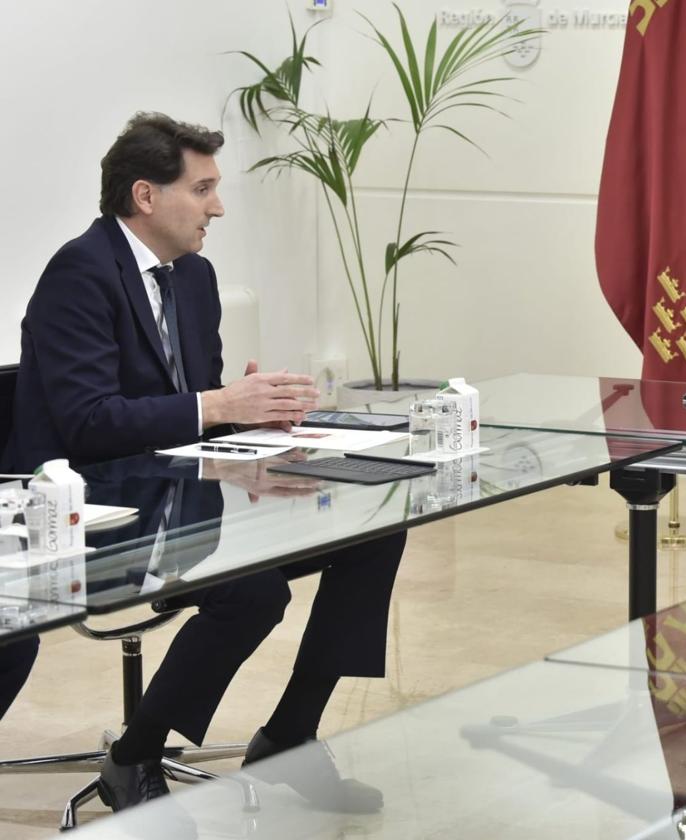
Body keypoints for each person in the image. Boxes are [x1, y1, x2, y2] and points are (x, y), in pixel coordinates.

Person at [2, 113, 404, 816]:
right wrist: (220, 404)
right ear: (146, 196)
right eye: (203, 188)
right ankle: (136, 755)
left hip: (176, 496)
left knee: (376, 529)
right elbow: (88, 423)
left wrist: (254, 417)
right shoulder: (79, 273)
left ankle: (289, 738)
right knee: (249, 592)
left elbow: (193, 407)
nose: (217, 206)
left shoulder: (193, 276)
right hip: (86, 512)